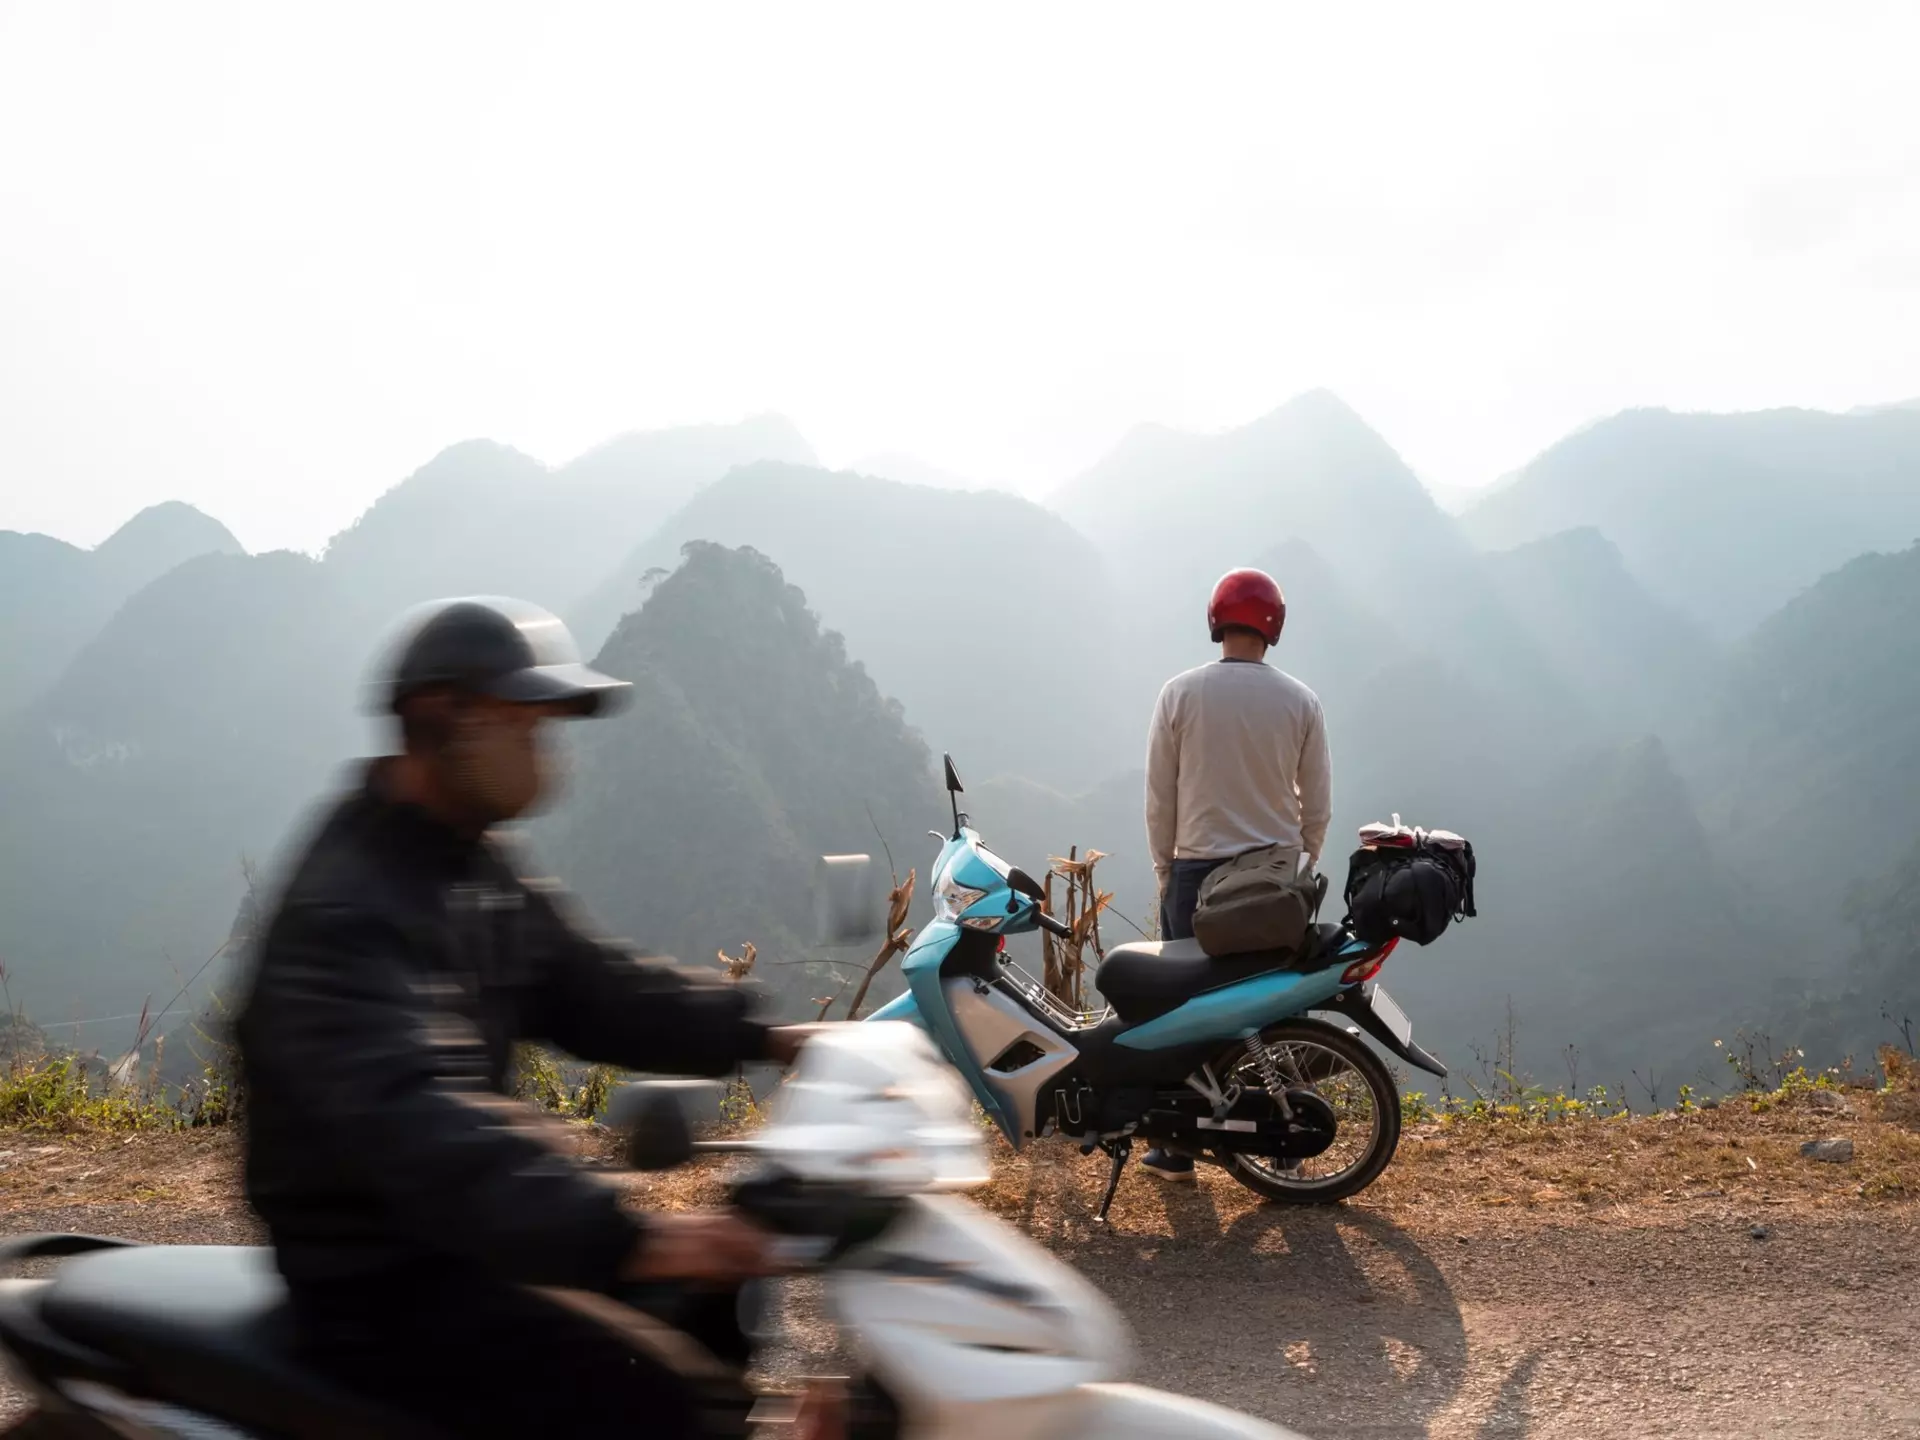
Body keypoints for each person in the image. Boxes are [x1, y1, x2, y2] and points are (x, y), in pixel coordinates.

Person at [235, 597, 821, 1439]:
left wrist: (766, 1035)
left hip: (464, 1241)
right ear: (451, 720)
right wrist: (627, 1233)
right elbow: (423, 1121)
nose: (545, 755)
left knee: (710, 1307)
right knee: (662, 1395)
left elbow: (593, 984)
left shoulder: (464, 863)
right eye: (529, 727)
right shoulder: (349, 908)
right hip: (385, 1281)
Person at [1140, 568, 1332, 1181]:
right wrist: (1304, 858)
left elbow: (1159, 797)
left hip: (1196, 874)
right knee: (1271, 1006)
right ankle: (1284, 1145)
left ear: (1215, 620)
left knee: (1182, 1010)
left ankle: (1175, 1151)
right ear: (1273, 626)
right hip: (1272, 877)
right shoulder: (1300, 700)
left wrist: (1165, 870)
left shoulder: (1179, 693)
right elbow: (1317, 799)